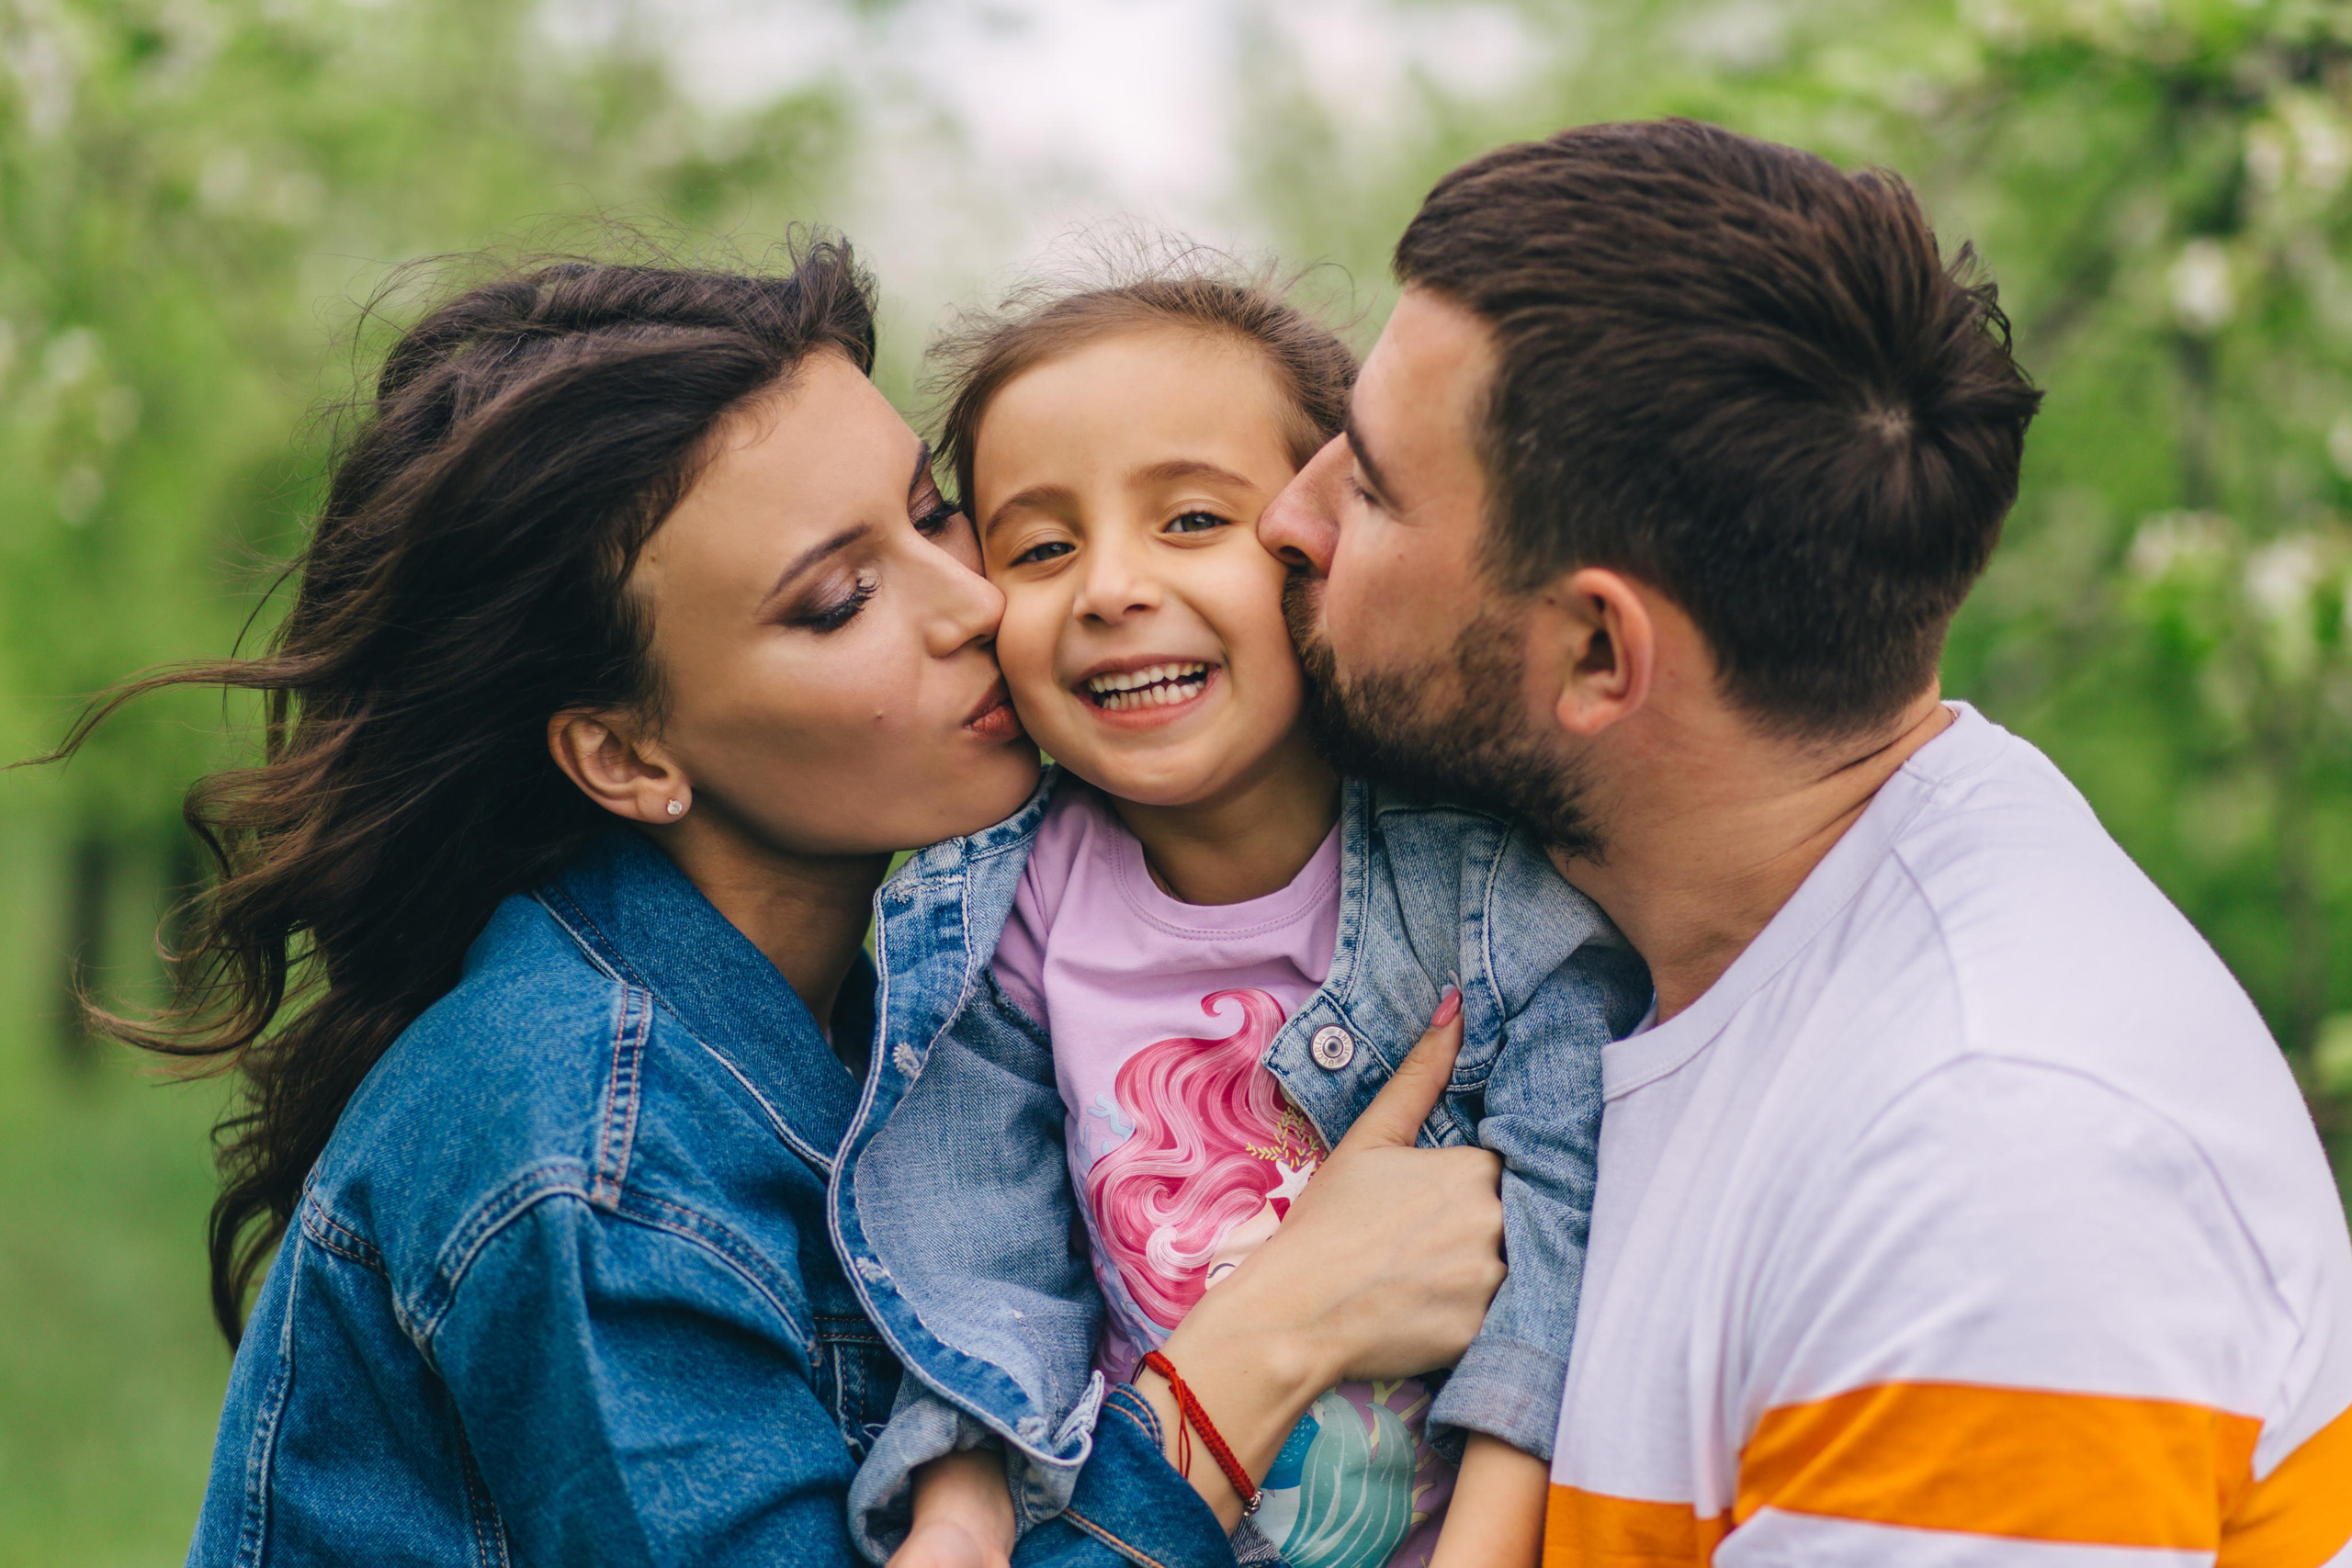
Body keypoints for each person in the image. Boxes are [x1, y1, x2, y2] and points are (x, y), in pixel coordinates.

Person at [50, 245, 1513, 1568]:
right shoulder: (579, 1146)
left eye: (938, 518)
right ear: (628, 755)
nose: (976, 606)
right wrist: (1276, 1336)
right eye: (837, 601)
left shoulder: (928, 1010)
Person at [1259, 118, 2352, 1564]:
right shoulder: (1633, 945)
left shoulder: (1994, 1161)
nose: (1290, 513)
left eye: (1376, 486)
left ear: (1599, 653)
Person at [831, 262, 1645, 1568]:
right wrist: (961, 1496)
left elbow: (1560, 1247)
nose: (1107, 588)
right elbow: (977, 1239)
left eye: (1193, 519)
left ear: (1321, 547)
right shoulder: (1000, 913)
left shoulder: (1485, 898)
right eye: (1040, 547)